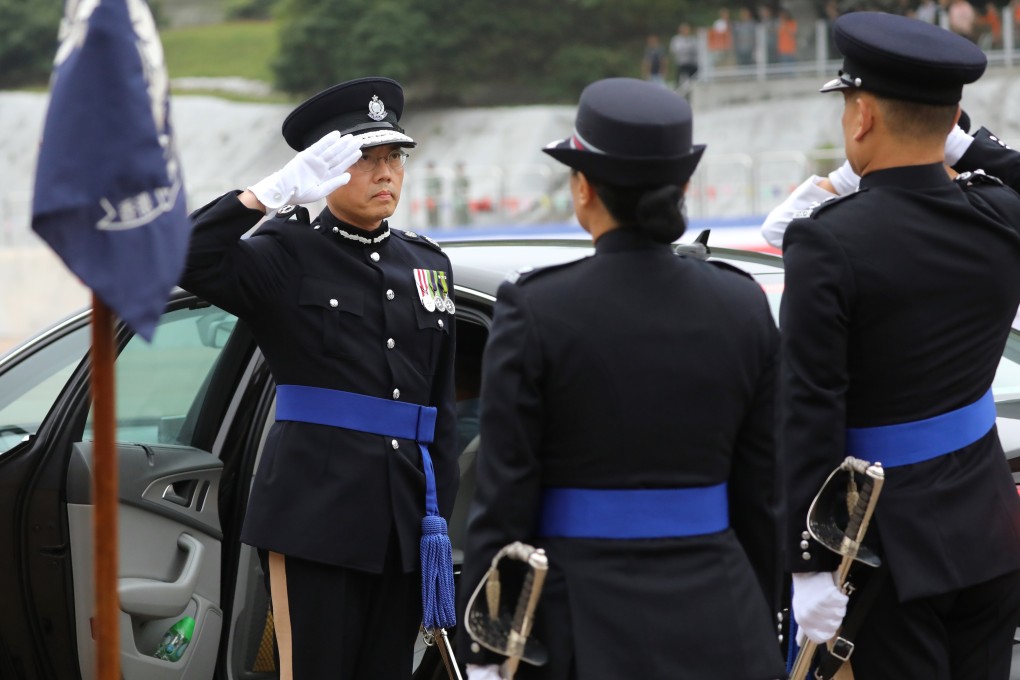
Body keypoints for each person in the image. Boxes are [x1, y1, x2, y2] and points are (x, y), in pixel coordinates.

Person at [458, 77, 785, 680]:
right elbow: (762, 497)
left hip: (579, 624)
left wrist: (485, 647)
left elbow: (503, 499)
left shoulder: (537, 310)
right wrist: (762, 616)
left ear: (583, 188)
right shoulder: (741, 306)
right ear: (682, 187)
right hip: (722, 619)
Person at [179, 76, 459, 679]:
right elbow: (184, 257)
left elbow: (440, 412)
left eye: (393, 158)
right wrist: (267, 195)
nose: (386, 173)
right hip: (316, 516)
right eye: (365, 159)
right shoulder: (287, 253)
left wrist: (439, 516)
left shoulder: (428, 264)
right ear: (326, 169)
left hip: (405, 521)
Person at [778, 13, 1020, 679]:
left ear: (861, 117)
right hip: (989, 526)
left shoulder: (828, 240)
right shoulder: (999, 213)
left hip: (883, 544)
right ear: (955, 118)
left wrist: (809, 562)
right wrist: (973, 150)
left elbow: (809, 411)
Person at [669, 22, 699, 89]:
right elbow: (676, 50)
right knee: (681, 80)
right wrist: (687, 50)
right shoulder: (676, 39)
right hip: (682, 64)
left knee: (694, 80)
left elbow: (696, 49)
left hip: (692, 63)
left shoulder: (692, 39)